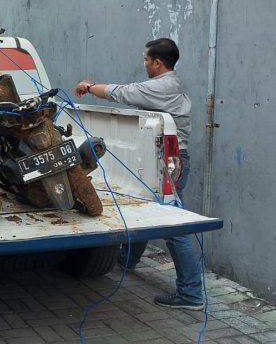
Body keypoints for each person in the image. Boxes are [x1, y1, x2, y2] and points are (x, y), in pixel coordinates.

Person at [74, 38, 203, 311]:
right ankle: (129, 260)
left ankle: (191, 293)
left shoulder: (162, 86)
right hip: (171, 162)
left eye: (146, 59)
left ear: (157, 62)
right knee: (151, 210)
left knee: (173, 227)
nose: (143, 63)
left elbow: (123, 93)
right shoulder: (172, 83)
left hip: (170, 164)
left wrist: (88, 87)